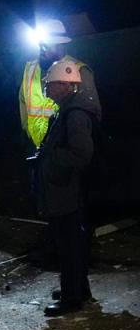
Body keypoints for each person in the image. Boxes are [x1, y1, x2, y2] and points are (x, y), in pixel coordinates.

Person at [18, 18, 101, 265]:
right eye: (42, 45)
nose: (45, 50)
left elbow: (90, 112)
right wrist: (30, 139)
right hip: (42, 149)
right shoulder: (31, 68)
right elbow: (23, 102)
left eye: (49, 45)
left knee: (71, 210)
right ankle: (56, 250)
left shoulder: (77, 70)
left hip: (66, 151)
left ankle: (74, 259)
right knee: (49, 205)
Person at [36, 60, 98, 316]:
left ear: (64, 86)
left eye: (49, 85)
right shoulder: (69, 110)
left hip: (66, 189)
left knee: (69, 244)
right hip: (67, 188)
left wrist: (51, 160)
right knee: (72, 242)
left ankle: (71, 298)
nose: (46, 90)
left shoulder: (75, 115)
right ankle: (78, 289)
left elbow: (81, 154)